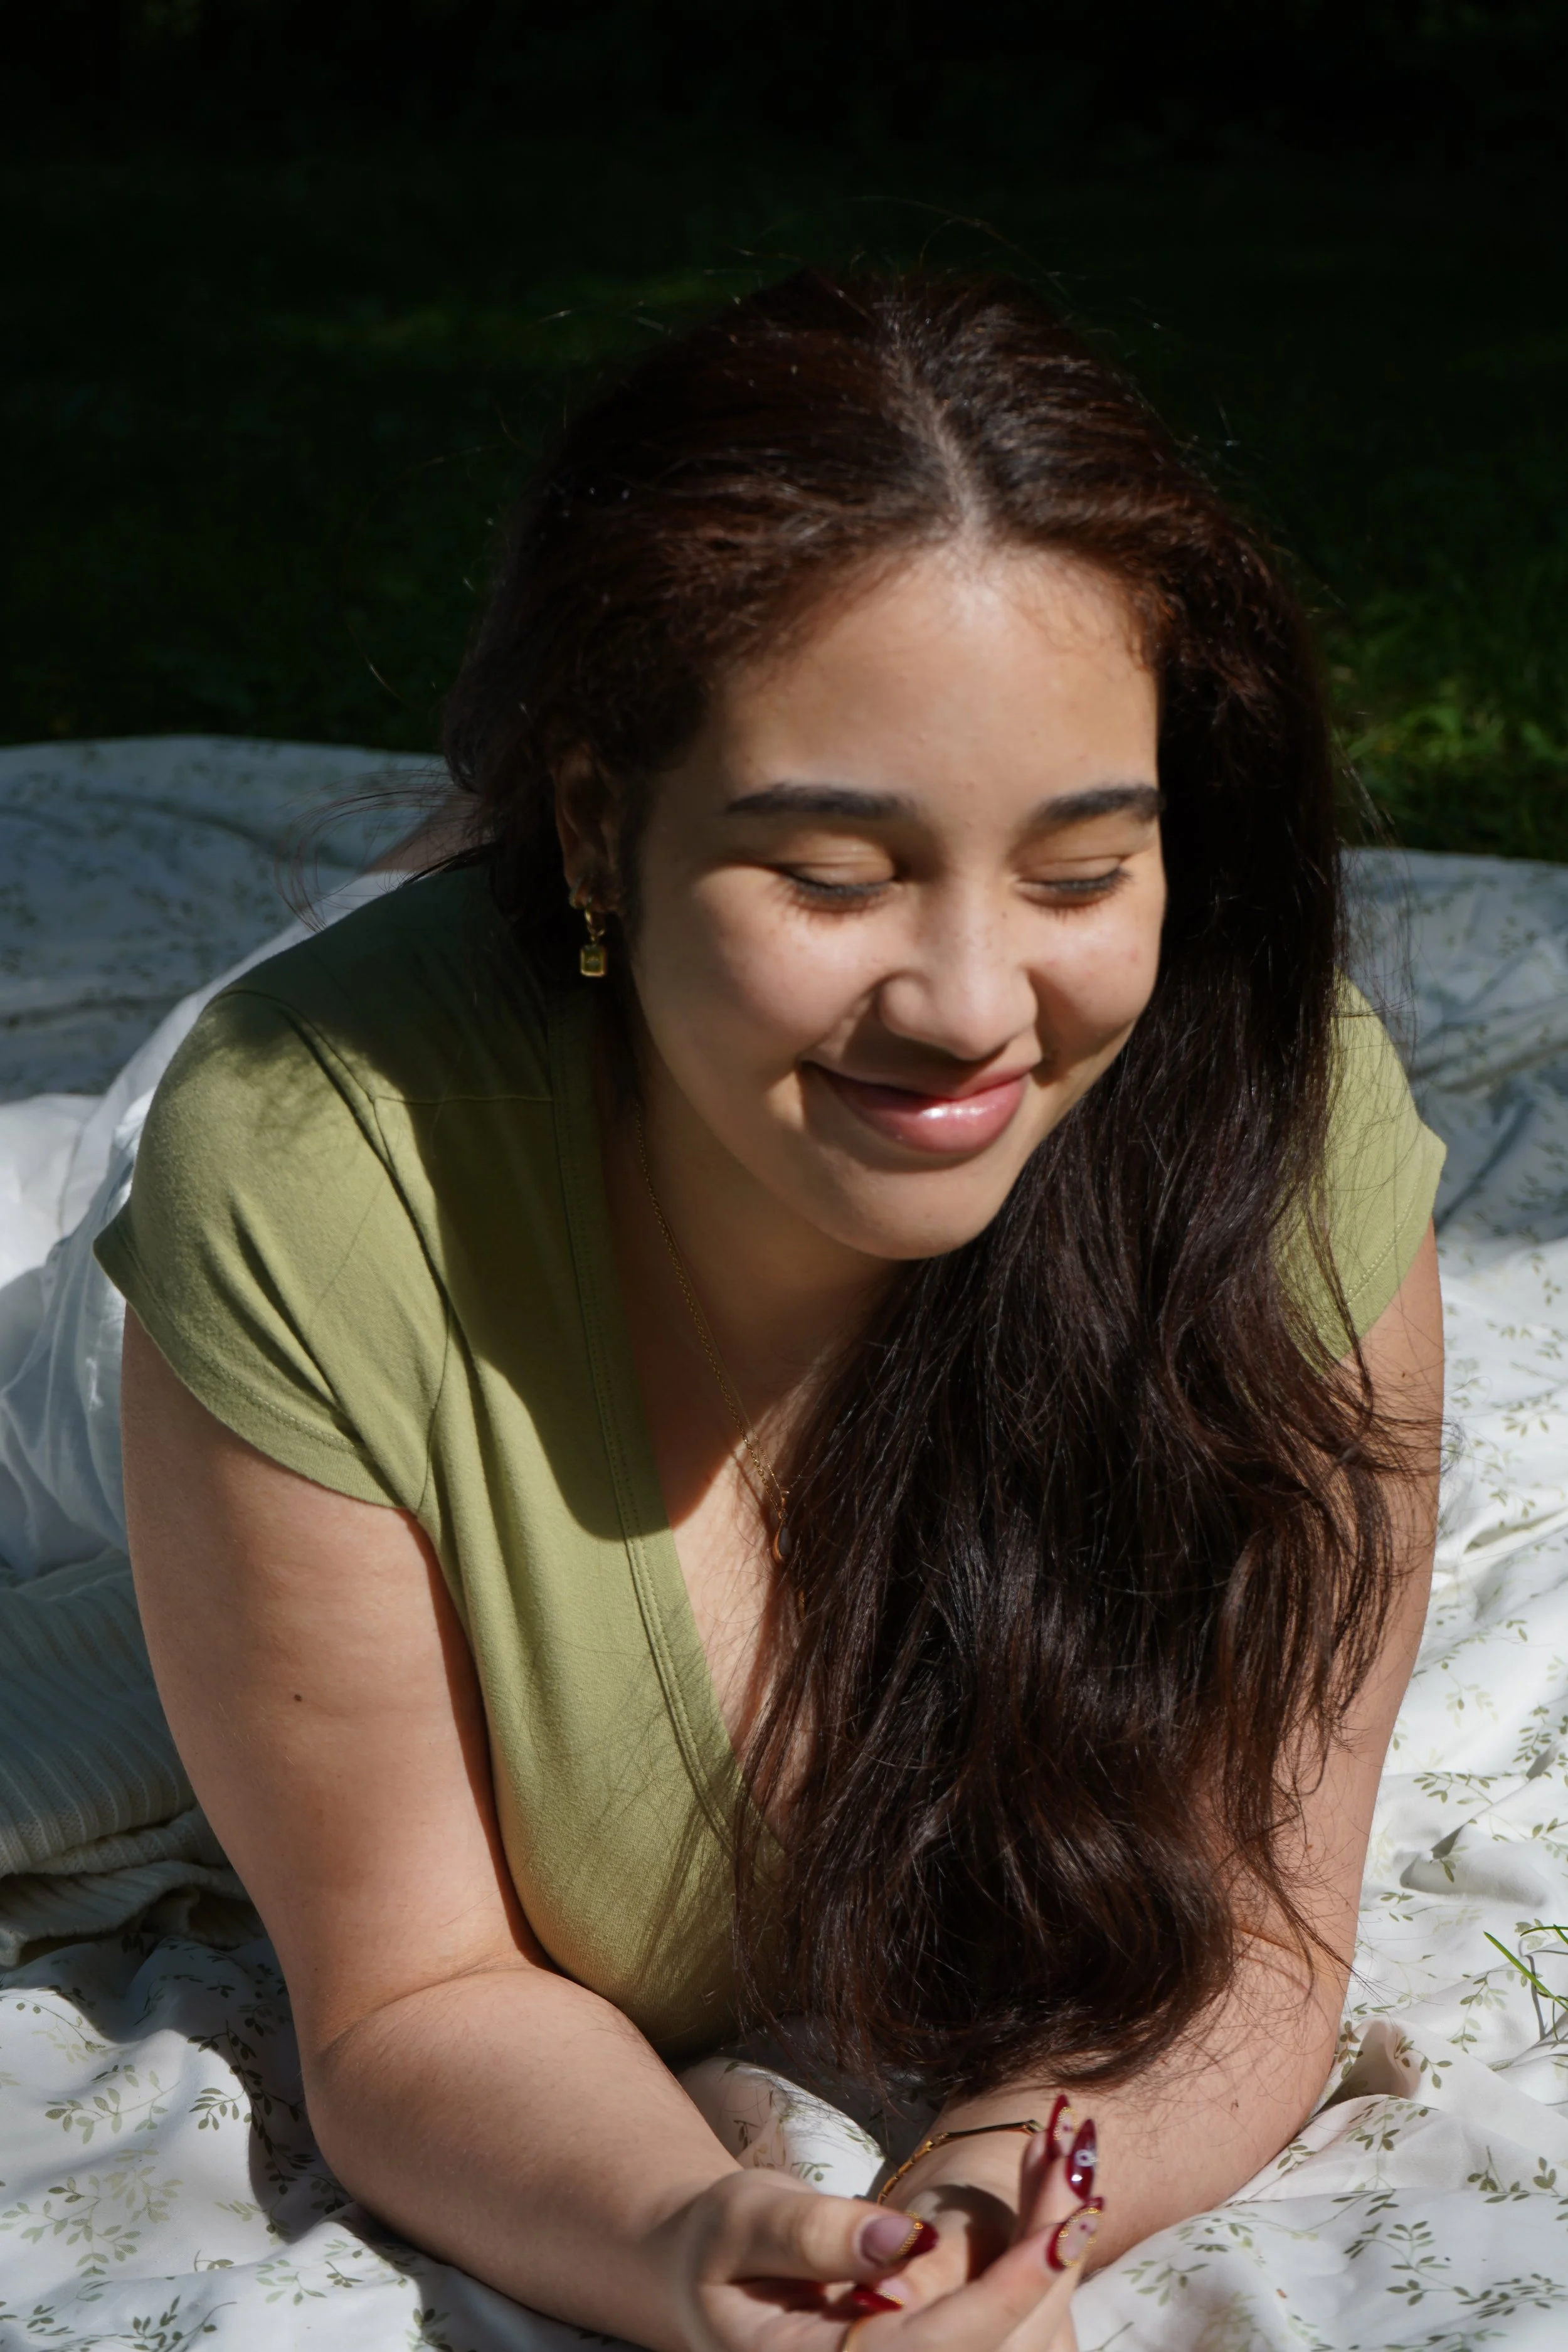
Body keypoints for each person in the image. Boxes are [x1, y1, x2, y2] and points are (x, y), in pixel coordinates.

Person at [98, 271, 1445, 2352]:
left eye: (1082, 872)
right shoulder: (311, 1181)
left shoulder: (1277, 1125)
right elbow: (406, 1991)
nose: (972, 1003)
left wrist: (997, 2215)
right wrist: (675, 2236)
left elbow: (1261, 1936)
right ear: (589, 825)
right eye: (832, 873)